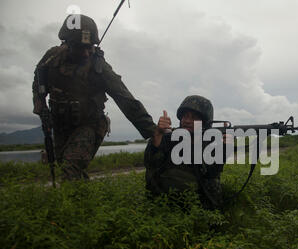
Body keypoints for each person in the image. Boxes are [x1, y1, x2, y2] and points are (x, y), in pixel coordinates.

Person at [32, 14, 156, 180]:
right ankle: (84, 203)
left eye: (89, 47)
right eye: (79, 47)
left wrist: (153, 132)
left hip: (90, 125)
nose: (85, 53)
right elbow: (38, 82)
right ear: (66, 43)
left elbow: (125, 99)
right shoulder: (52, 58)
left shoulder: (99, 68)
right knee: (65, 166)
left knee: (70, 170)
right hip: (60, 126)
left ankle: (72, 205)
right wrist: (40, 106)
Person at [144, 95, 231, 210]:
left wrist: (224, 148)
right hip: (165, 204)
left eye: (194, 117)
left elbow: (212, 173)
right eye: (185, 116)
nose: (188, 121)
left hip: (196, 206)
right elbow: (151, 163)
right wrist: (157, 135)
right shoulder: (169, 138)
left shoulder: (212, 143)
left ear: (205, 122)